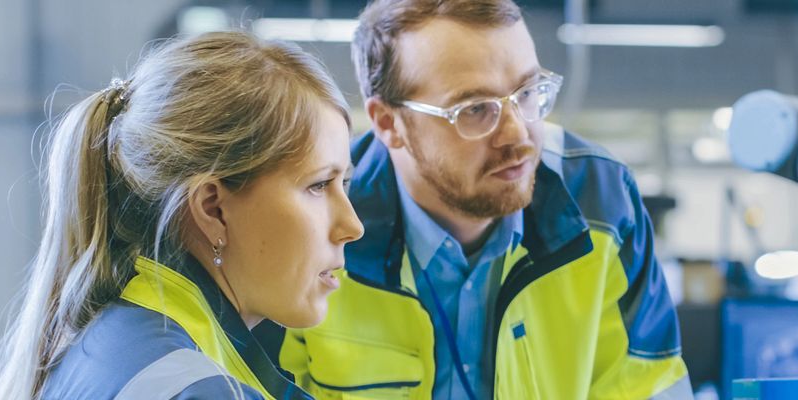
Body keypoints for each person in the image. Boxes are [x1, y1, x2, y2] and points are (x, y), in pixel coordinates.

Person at [252, 0, 690, 398]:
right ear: (389, 123)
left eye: (527, 93)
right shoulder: (316, 225)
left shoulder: (603, 202)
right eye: (475, 109)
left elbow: (648, 387)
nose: (518, 134)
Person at [0, 31, 363, 399]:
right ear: (213, 209)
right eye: (318, 186)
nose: (352, 226)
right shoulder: (198, 390)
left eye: (344, 183)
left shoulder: (106, 344)